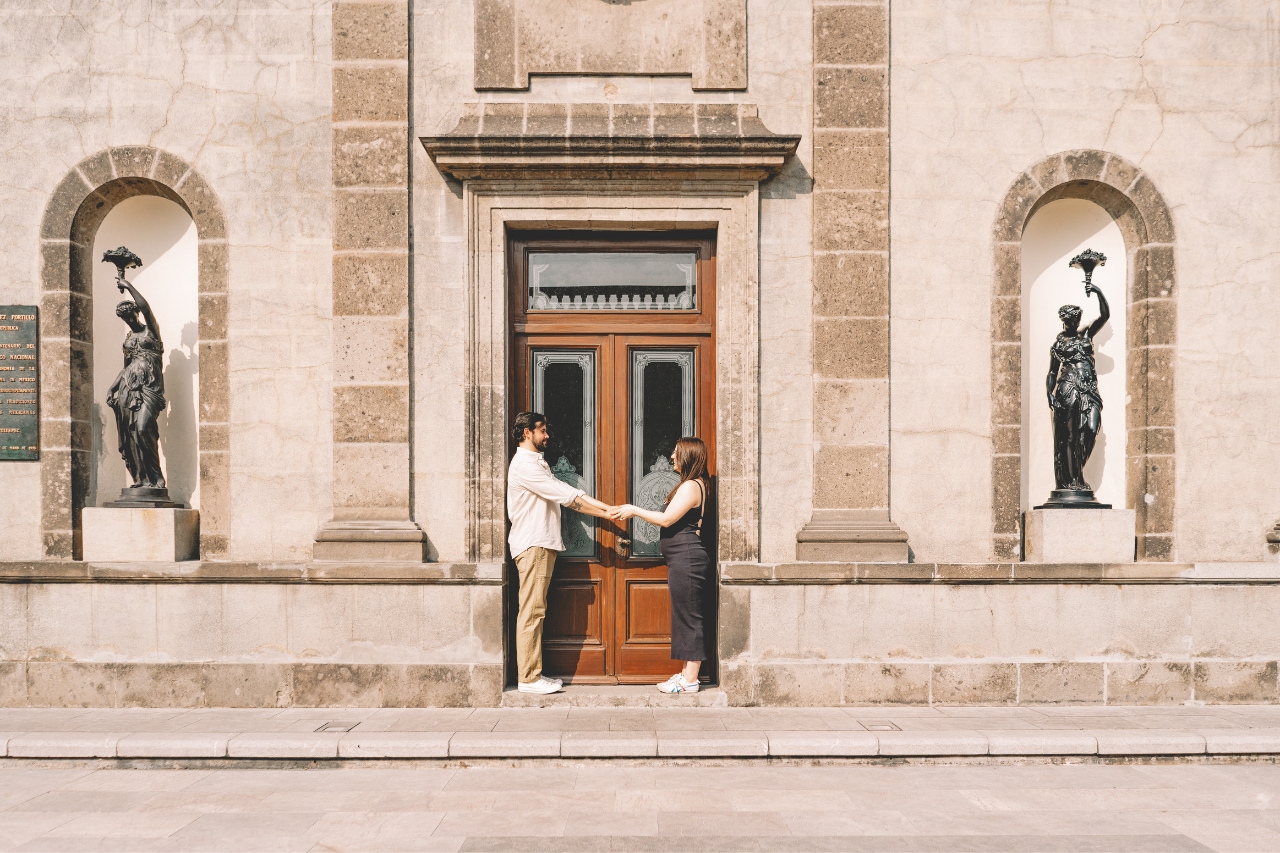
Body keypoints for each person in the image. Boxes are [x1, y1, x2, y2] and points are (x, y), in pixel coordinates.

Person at [507, 411, 616, 694]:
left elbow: (566, 491)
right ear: (526, 433)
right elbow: (568, 498)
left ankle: (534, 675)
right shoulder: (525, 466)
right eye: (542, 430)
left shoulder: (535, 462)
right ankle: (529, 679)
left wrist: (606, 509)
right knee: (532, 612)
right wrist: (608, 513)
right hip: (534, 545)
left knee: (536, 610)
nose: (547, 436)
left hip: (540, 544)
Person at [612, 437, 710, 694]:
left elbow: (667, 520)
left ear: (688, 455)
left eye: (676, 453)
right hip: (683, 559)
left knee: (689, 617)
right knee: (684, 616)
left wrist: (634, 509)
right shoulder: (692, 484)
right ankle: (687, 674)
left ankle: (690, 680)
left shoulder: (691, 486)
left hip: (687, 559)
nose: (672, 457)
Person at [1047, 280, 1110, 494]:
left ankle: (1076, 474)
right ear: (1065, 321)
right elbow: (1053, 372)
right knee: (1070, 435)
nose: (1076, 323)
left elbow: (1104, 316)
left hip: (1089, 389)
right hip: (1067, 387)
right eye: (1072, 321)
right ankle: (1074, 479)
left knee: (1091, 428)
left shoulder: (1085, 335)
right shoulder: (1058, 345)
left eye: (1077, 320)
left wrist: (1098, 292)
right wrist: (1049, 392)